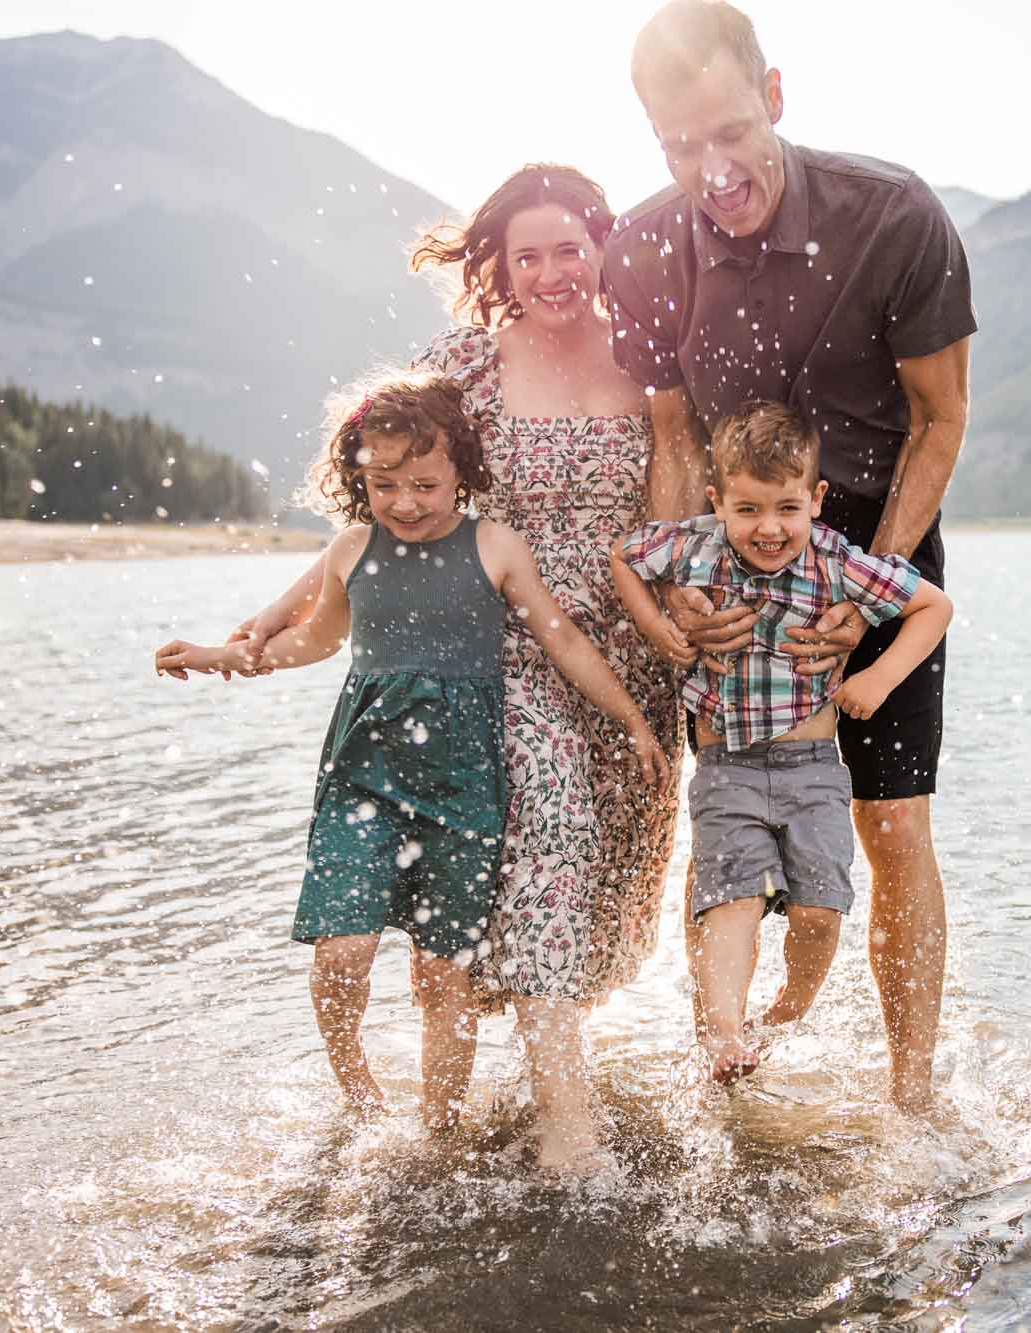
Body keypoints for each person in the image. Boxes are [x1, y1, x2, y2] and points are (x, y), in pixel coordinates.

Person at [223, 165, 684, 1168]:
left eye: (570, 249)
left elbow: (680, 505)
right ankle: (567, 1128)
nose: (553, 273)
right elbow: (385, 494)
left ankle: (510, 1075)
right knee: (550, 830)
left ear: (602, 248)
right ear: (500, 268)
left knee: (598, 882)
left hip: (625, 654)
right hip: (504, 641)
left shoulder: (651, 360)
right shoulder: (467, 366)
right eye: (529, 256)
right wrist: (282, 614)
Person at [608, 0, 977, 1111]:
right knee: (725, 811)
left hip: (871, 538)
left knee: (892, 821)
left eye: (730, 133)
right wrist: (680, 590)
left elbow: (940, 420)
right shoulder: (642, 249)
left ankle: (910, 1098)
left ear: (774, 96)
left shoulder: (893, 215)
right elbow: (674, 438)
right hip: (725, 551)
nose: (712, 171)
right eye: (680, 147)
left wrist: (868, 594)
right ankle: (723, 1072)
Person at [153, 371, 669, 1145]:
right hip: (362, 779)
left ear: (463, 469)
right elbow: (313, 640)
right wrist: (220, 655)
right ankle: (359, 1093)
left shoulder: (493, 547)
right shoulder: (353, 549)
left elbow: (562, 641)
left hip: (463, 790)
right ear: (359, 480)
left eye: (424, 484)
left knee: (442, 973)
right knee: (342, 951)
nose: (405, 502)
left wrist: (631, 719)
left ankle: (440, 1130)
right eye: (383, 484)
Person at [609, 401, 950, 1082]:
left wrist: (879, 678)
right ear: (718, 502)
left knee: (818, 911)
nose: (769, 528)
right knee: (729, 901)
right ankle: (725, 1035)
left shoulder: (835, 561)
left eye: (787, 509)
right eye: (748, 509)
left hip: (813, 770)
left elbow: (933, 605)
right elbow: (623, 555)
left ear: (816, 499)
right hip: (727, 769)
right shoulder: (694, 546)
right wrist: (654, 623)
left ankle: (790, 1005)